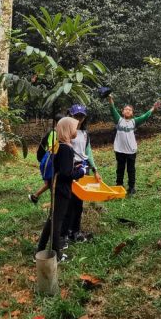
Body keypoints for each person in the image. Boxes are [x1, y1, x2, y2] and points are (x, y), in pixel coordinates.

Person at [36, 116, 84, 262]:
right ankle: (56, 254)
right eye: (74, 127)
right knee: (56, 222)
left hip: (56, 187)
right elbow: (65, 174)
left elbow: (61, 169)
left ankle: (39, 250)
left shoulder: (59, 146)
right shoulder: (66, 149)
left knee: (52, 220)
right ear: (67, 129)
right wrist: (80, 172)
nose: (76, 129)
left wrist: (72, 167)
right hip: (62, 189)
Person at [109, 94, 161, 196]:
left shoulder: (134, 122)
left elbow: (145, 116)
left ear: (132, 113)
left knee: (131, 169)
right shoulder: (118, 120)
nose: (128, 111)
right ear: (122, 112)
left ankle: (132, 187)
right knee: (120, 169)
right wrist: (110, 98)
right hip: (119, 150)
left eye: (130, 110)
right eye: (126, 109)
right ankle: (119, 185)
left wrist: (153, 108)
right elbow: (112, 108)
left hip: (131, 150)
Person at [64, 103, 97, 243]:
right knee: (69, 202)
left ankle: (75, 231)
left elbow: (88, 152)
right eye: (76, 116)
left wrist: (95, 170)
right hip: (70, 170)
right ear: (70, 115)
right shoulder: (66, 133)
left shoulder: (84, 134)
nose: (79, 119)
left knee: (79, 203)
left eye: (81, 116)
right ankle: (65, 232)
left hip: (83, 169)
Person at [29, 113, 64, 204]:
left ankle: (34, 196)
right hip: (48, 160)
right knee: (51, 182)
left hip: (51, 159)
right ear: (56, 123)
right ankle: (53, 204)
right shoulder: (53, 133)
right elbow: (51, 148)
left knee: (50, 182)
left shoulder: (59, 132)